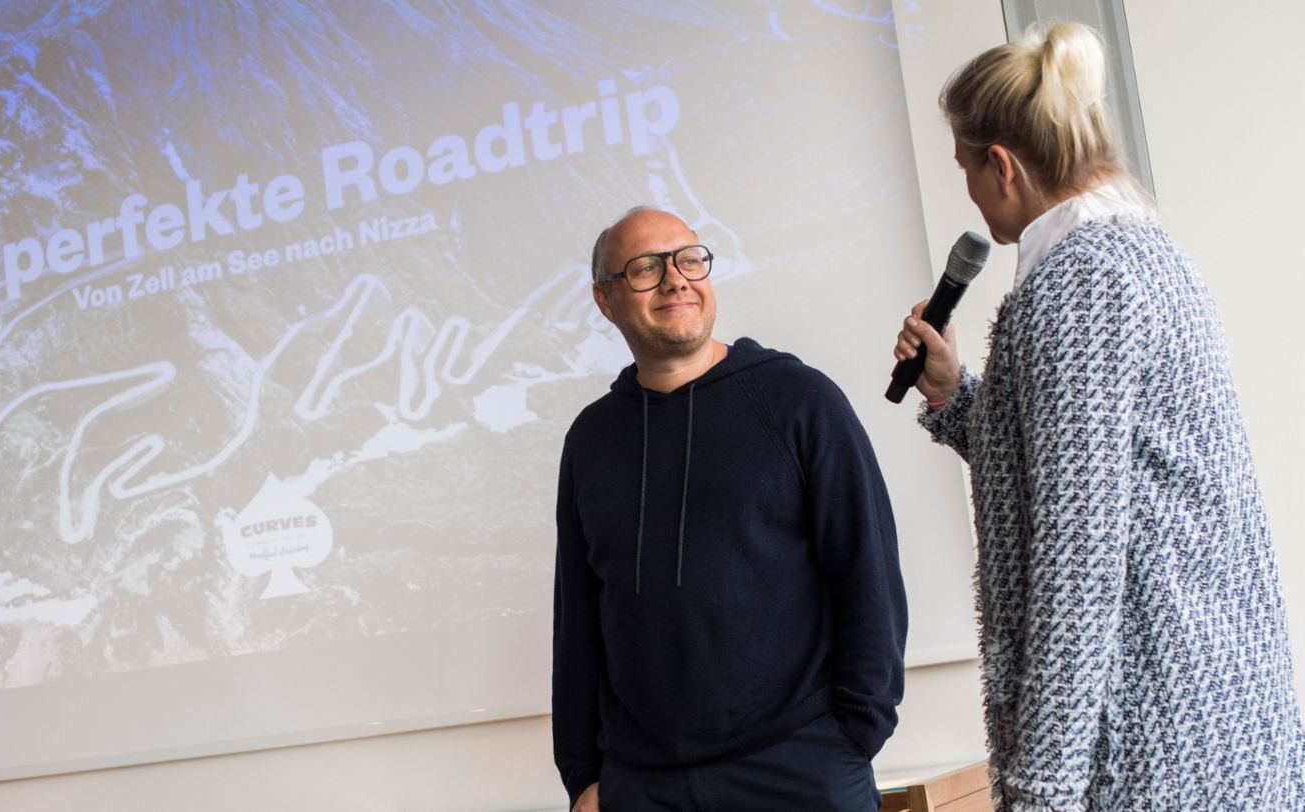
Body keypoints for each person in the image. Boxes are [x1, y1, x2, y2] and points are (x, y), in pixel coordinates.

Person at [892, 22, 1305, 811]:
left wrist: (1043, 788)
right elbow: (1081, 474)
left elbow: (1078, 555)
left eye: (967, 171)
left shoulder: (1076, 288)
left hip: (1148, 737)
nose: (971, 195)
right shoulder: (1144, 254)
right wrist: (952, 396)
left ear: (1003, 165)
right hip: (1212, 712)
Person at [553, 206, 906, 811]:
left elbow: (866, 573)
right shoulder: (591, 439)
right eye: (645, 268)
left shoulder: (799, 401)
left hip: (799, 767)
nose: (675, 279)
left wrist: (852, 735)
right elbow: (578, 618)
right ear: (605, 300)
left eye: (689, 259)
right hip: (643, 785)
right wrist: (584, 775)